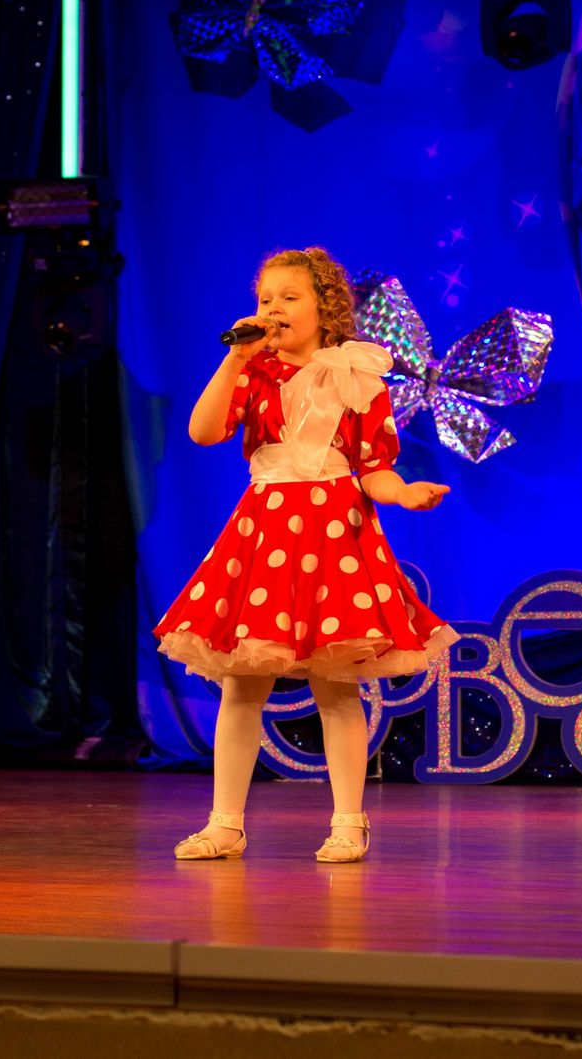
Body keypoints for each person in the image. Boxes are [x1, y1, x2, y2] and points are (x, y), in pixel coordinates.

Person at [154, 246, 458, 864]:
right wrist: (236, 358)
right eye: (265, 299)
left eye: (289, 297)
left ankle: (348, 822)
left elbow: (375, 469)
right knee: (243, 685)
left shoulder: (355, 374)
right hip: (264, 535)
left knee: (336, 687)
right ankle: (225, 824)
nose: (274, 308)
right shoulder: (254, 371)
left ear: (326, 307)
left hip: (333, 537)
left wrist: (403, 493)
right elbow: (204, 431)